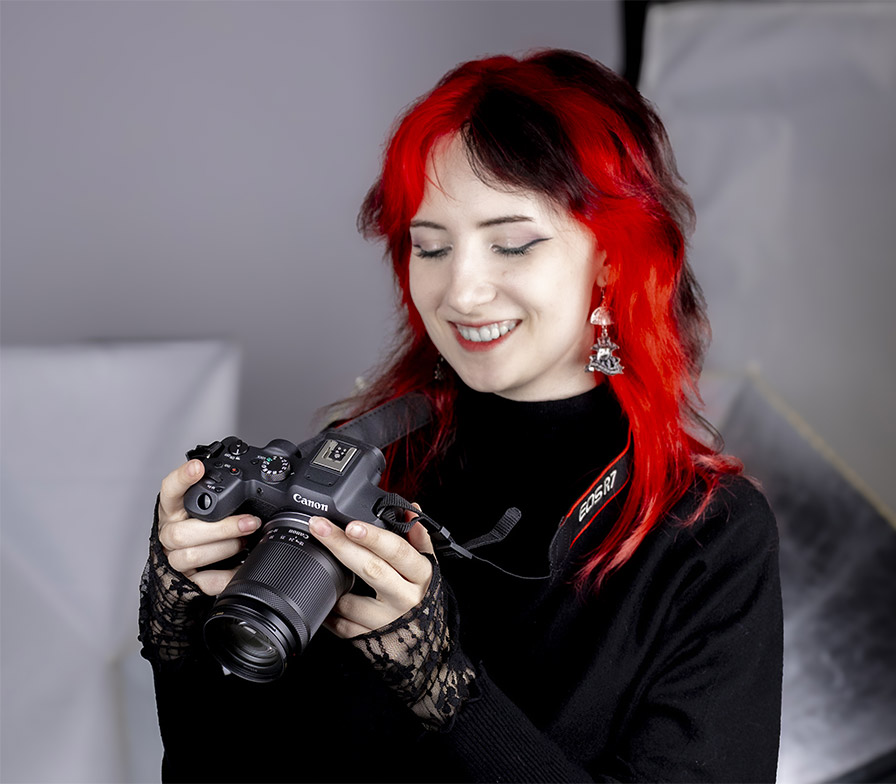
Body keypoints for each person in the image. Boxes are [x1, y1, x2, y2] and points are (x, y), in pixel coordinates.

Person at [140, 49, 783, 783]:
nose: (461, 292)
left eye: (511, 244)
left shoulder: (706, 537)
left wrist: (440, 685)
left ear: (611, 256)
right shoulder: (360, 471)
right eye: (432, 247)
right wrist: (181, 618)